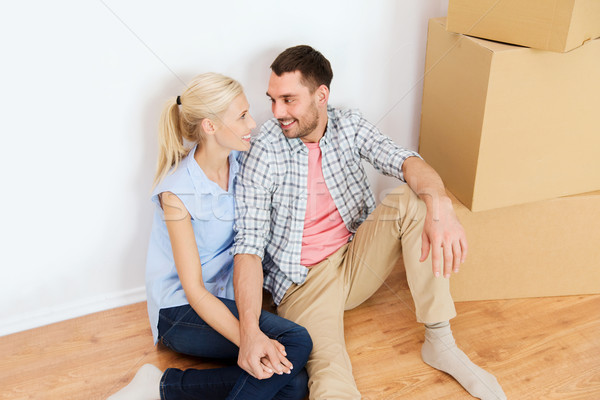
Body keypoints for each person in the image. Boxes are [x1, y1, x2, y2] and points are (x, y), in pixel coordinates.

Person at [232, 46, 506, 400]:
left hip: (354, 257)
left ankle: (441, 342)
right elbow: (249, 247)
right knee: (330, 371)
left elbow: (406, 161)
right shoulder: (264, 149)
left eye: (288, 100)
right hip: (304, 282)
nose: (276, 112)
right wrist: (250, 331)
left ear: (321, 95)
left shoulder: (349, 124)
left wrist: (441, 207)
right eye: (272, 100)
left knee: (411, 199)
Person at [107, 72, 312, 400]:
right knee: (297, 343)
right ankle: (163, 387)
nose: (252, 124)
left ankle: (165, 387)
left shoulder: (243, 163)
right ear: (210, 126)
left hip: (230, 300)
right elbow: (195, 291)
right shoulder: (176, 192)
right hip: (182, 311)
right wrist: (249, 339)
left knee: (295, 382)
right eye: (242, 116)